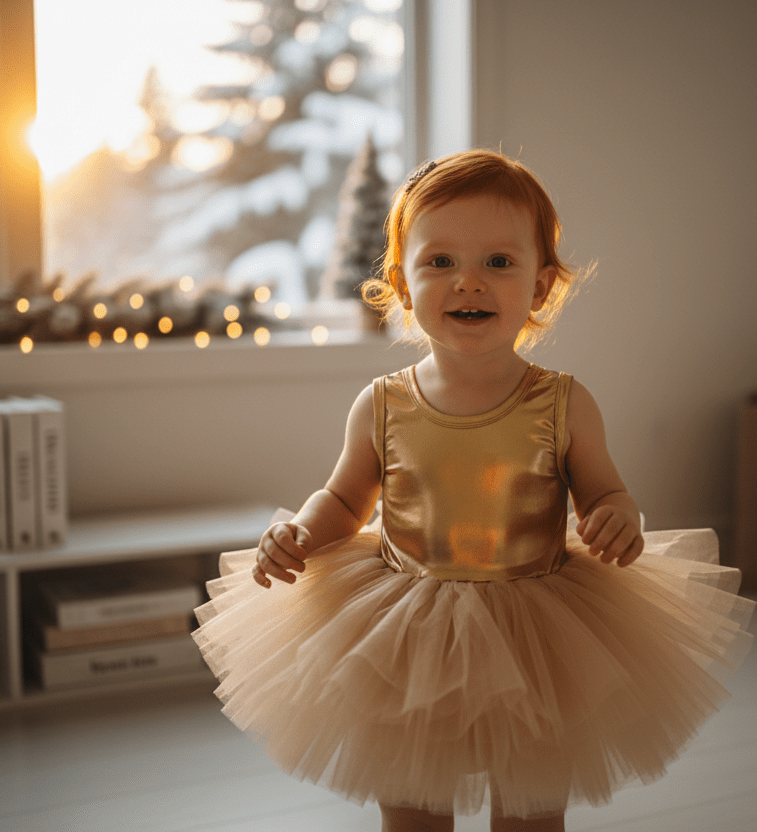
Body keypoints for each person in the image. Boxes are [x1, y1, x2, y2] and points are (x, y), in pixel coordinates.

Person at [193, 150, 754, 832]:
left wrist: (618, 517)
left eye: (498, 262)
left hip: (540, 629)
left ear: (541, 287)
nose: (469, 283)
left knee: (529, 805)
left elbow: (607, 493)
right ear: (401, 283)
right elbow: (344, 501)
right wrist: (303, 533)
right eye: (440, 262)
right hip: (403, 627)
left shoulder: (564, 404)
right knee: (413, 799)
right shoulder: (381, 405)